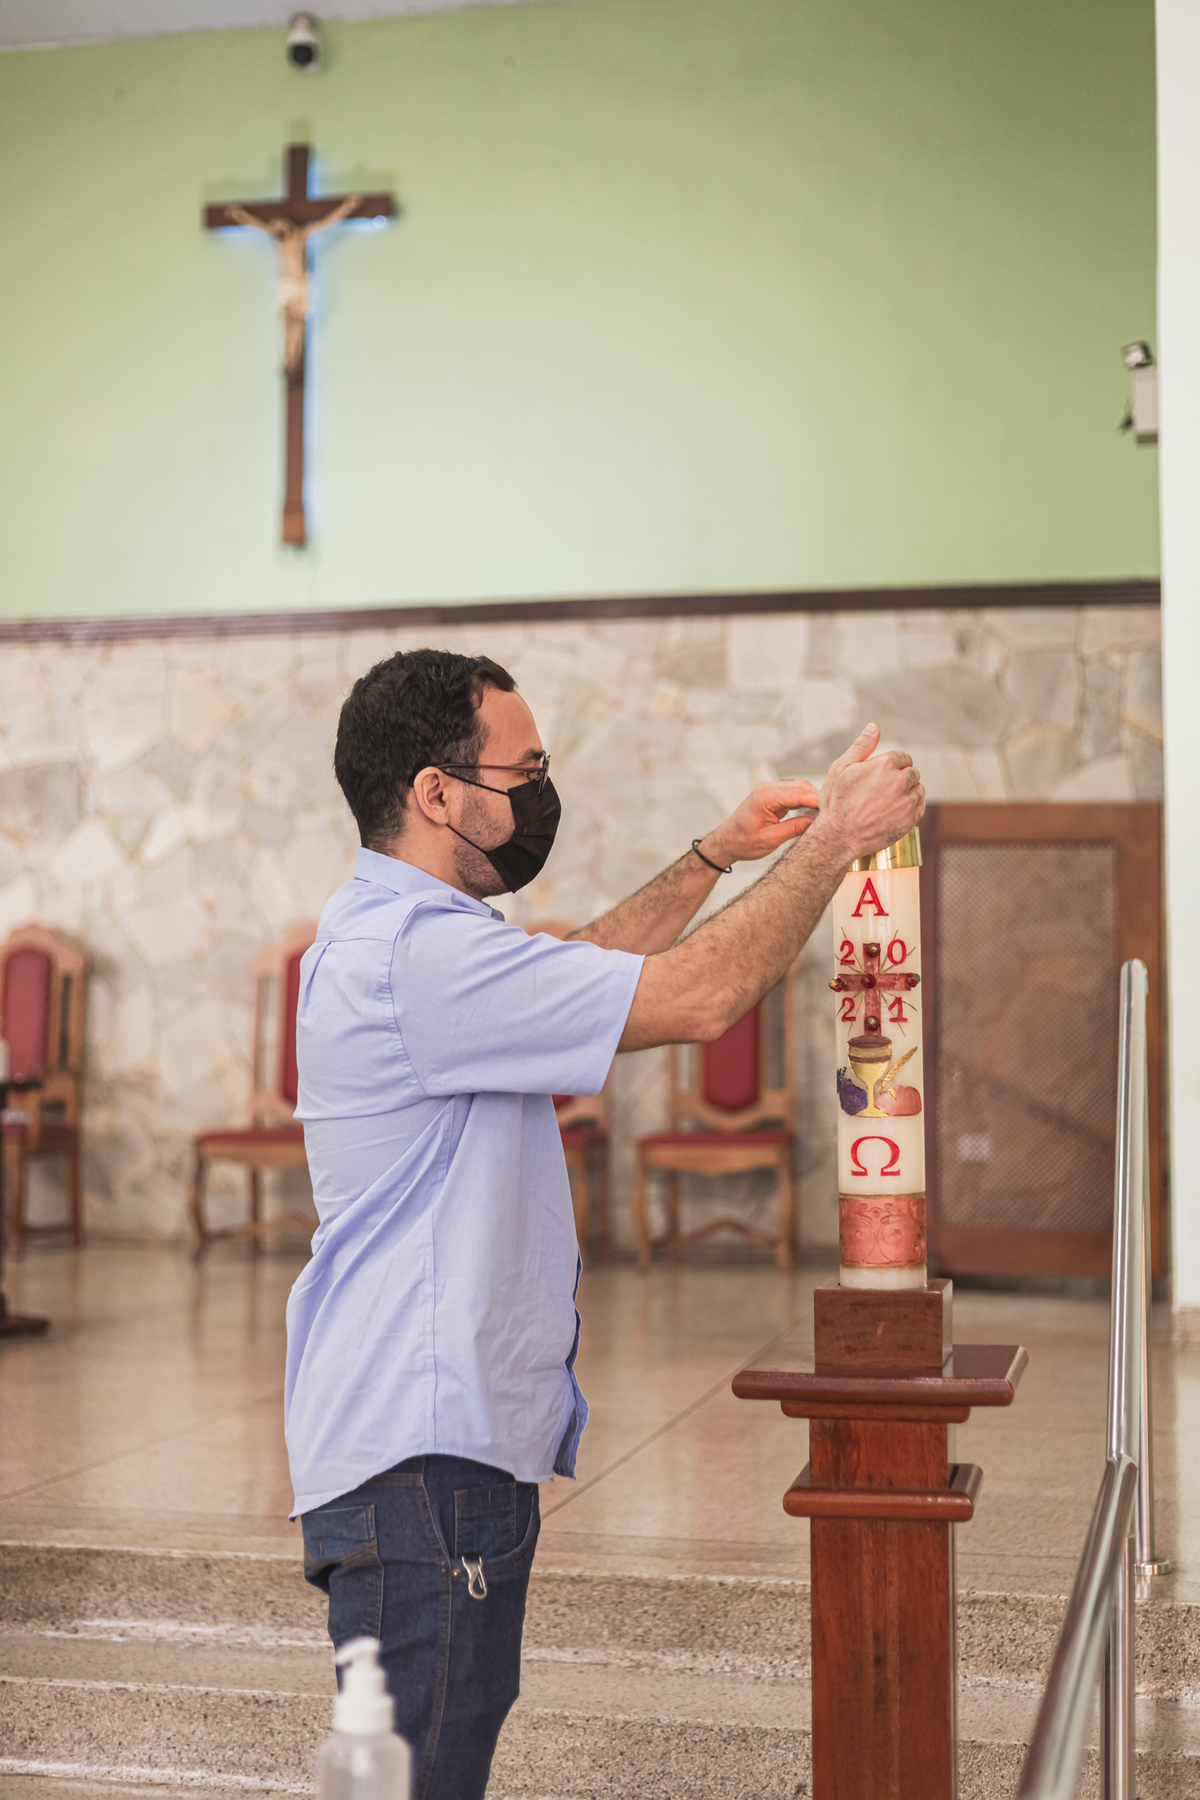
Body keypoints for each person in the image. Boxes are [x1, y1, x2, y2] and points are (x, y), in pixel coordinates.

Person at [285, 647, 924, 1800]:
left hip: (421, 1451)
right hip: (421, 1457)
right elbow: (697, 998)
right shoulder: (415, 955)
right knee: (420, 1777)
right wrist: (835, 847)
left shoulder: (415, 937)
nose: (539, 793)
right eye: (521, 771)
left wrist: (713, 857)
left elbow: (576, 969)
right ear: (435, 792)